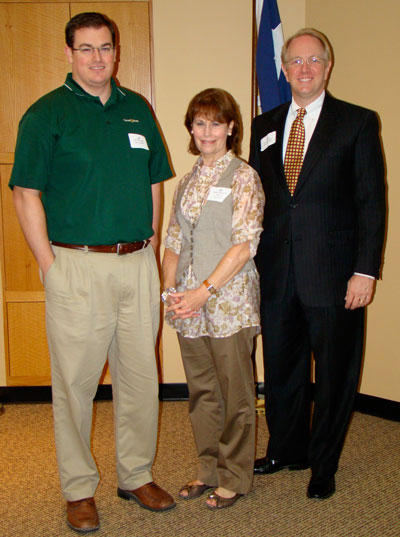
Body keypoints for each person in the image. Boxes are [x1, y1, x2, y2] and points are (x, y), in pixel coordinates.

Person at [10, 12, 175, 533]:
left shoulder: (138, 110)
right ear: (69, 54)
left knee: (140, 378)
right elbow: (25, 193)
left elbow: (154, 184)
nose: (98, 58)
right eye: (86, 49)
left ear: (116, 52)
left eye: (105, 47)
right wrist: (50, 266)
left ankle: (135, 474)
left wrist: (149, 252)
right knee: (77, 385)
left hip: (136, 265)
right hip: (75, 265)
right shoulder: (46, 114)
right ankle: (79, 488)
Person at [249, 28, 386, 500]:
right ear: (283, 68)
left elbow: (372, 202)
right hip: (277, 275)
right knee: (283, 370)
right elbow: (258, 203)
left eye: (313, 61)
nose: (303, 69)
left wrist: (365, 271)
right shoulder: (263, 126)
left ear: (328, 66)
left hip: (335, 277)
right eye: (295, 61)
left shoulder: (357, 123)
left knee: (333, 376)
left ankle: (323, 464)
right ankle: (287, 449)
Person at [162, 88, 265, 510]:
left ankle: (236, 477)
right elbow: (172, 239)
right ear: (191, 128)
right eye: (200, 123)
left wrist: (203, 292)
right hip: (188, 306)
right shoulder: (186, 181)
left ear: (231, 127)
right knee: (202, 392)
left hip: (228, 304)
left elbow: (245, 245)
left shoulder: (243, 177)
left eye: (215, 123)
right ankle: (208, 470)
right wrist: (171, 292)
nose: (207, 131)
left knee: (235, 393)